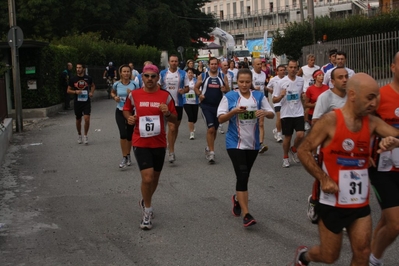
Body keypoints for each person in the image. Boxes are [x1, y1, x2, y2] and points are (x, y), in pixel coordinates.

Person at [291, 73, 399, 266]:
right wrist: (323, 178)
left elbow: (396, 134)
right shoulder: (330, 121)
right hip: (331, 200)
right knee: (329, 255)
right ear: (352, 95)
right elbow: (303, 151)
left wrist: (394, 141)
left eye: (377, 97)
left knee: (363, 252)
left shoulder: (372, 123)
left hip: (359, 201)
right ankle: (304, 256)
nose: (375, 103)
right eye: (370, 97)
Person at [123, 64, 177, 230]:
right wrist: (129, 118)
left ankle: (144, 200)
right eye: (146, 76)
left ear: (157, 78)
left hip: (159, 143)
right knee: (147, 177)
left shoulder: (165, 96)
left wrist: (167, 113)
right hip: (140, 141)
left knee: (154, 179)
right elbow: (126, 110)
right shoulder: (135, 95)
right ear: (142, 78)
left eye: (153, 76)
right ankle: (147, 210)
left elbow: (175, 119)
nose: (150, 79)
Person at [217, 68, 274, 227]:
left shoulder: (258, 96)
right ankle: (247, 214)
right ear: (237, 82)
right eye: (241, 81)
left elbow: (271, 113)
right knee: (242, 174)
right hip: (235, 143)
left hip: (253, 144)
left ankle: (237, 198)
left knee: (245, 175)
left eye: (247, 82)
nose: (244, 84)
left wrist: (263, 113)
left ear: (251, 82)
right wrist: (233, 112)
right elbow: (221, 119)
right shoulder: (230, 97)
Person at [306, 67, 349, 224]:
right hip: (327, 146)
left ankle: (342, 212)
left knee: (345, 178)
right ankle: (314, 202)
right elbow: (316, 121)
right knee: (322, 177)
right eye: (340, 77)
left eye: (346, 77)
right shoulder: (326, 97)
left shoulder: (352, 98)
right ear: (332, 81)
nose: (344, 80)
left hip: (348, 147)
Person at [368, 52, 399, 266]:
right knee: (396, 225)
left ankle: (368, 256)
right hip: (382, 169)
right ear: (393, 67)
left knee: (388, 219)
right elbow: (364, 127)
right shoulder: (380, 96)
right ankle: (373, 261)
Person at [194, 57, 229, 164]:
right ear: (208, 65)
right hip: (206, 106)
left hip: (219, 107)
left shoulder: (223, 76)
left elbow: (228, 89)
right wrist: (200, 94)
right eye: (211, 64)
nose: (213, 66)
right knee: (211, 129)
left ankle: (208, 148)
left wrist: (225, 89)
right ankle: (212, 153)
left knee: (214, 130)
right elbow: (195, 88)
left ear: (218, 65)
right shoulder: (203, 76)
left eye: (215, 64)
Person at [272, 60, 305, 168]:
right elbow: (274, 100)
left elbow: (302, 94)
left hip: (298, 112)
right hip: (286, 113)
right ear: (287, 68)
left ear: (297, 68)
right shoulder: (281, 82)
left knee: (301, 135)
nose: (293, 69)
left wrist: (304, 98)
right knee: (288, 137)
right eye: (290, 67)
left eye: (295, 67)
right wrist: (281, 96)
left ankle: (294, 149)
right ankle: (285, 157)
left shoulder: (301, 80)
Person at [159, 55, 189, 163]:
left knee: (175, 128)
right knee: (170, 128)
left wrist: (183, 91)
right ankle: (171, 152)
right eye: (172, 61)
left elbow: (187, 87)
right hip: (165, 104)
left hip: (178, 104)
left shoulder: (183, 73)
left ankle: (170, 145)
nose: (174, 63)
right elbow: (158, 87)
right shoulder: (162, 73)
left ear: (178, 63)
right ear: (169, 62)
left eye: (176, 61)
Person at [110, 64, 139, 168]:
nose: (126, 73)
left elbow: (140, 96)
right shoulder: (117, 84)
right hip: (120, 111)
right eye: (124, 71)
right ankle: (124, 157)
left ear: (130, 73)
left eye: (128, 71)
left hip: (131, 112)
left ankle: (128, 154)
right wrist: (115, 97)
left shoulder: (135, 84)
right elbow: (112, 92)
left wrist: (133, 94)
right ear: (120, 73)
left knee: (129, 134)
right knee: (123, 134)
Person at [67, 63, 95, 144]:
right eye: (77, 68)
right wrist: (75, 91)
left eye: (79, 67)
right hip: (77, 102)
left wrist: (91, 92)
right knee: (78, 119)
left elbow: (93, 86)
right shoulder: (73, 79)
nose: (78, 69)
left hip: (86, 101)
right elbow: (68, 90)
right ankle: (79, 135)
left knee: (87, 118)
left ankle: (85, 135)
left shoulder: (88, 78)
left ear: (83, 68)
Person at [297, 54, 320, 130]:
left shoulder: (317, 68)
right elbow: (297, 77)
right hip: (306, 90)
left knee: (315, 106)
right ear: (308, 61)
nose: (312, 62)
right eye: (311, 60)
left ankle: (313, 120)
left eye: (314, 60)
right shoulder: (303, 68)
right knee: (307, 106)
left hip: (315, 89)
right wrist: (300, 89)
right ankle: (306, 122)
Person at [252, 58, 269, 153]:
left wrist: (268, 91)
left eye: (260, 64)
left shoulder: (263, 74)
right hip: (252, 101)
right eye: (258, 64)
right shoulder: (250, 74)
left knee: (261, 123)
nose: (259, 66)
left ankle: (261, 143)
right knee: (253, 123)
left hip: (261, 100)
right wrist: (254, 88)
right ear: (253, 65)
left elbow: (263, 86)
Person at [269, 64, 286, 143]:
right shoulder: (273, 79)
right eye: (281, 70)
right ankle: (279, 134)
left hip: (285, 101)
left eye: (283, 70)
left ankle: (276, 129)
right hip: (277, 101)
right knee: (279, 117)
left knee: (284, 119)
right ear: (277, 72)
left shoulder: (287, 79)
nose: (282, 72)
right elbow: (268, 87)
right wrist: (272, 92)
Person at [183, 68, 199, 140]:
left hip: (195, 101)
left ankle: (192, 125)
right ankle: (191, 133)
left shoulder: (196, 81)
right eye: (189, 73)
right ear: (186, 74)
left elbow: (199, 89)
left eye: (191, 73)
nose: (190, 74)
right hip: (186, 102)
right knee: (190, 117)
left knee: (194, 118)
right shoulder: (183, 81)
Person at [218, 61, 234, 134]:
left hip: (229, 93)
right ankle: (220, 125)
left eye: (227, 65)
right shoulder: (219, 74)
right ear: (221, 66)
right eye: (224, 65)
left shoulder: (231, 74)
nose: (226, 66)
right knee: (221, 110)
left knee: (230, 109)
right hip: (221, 94)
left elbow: (232, 84)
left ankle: (230, 126)